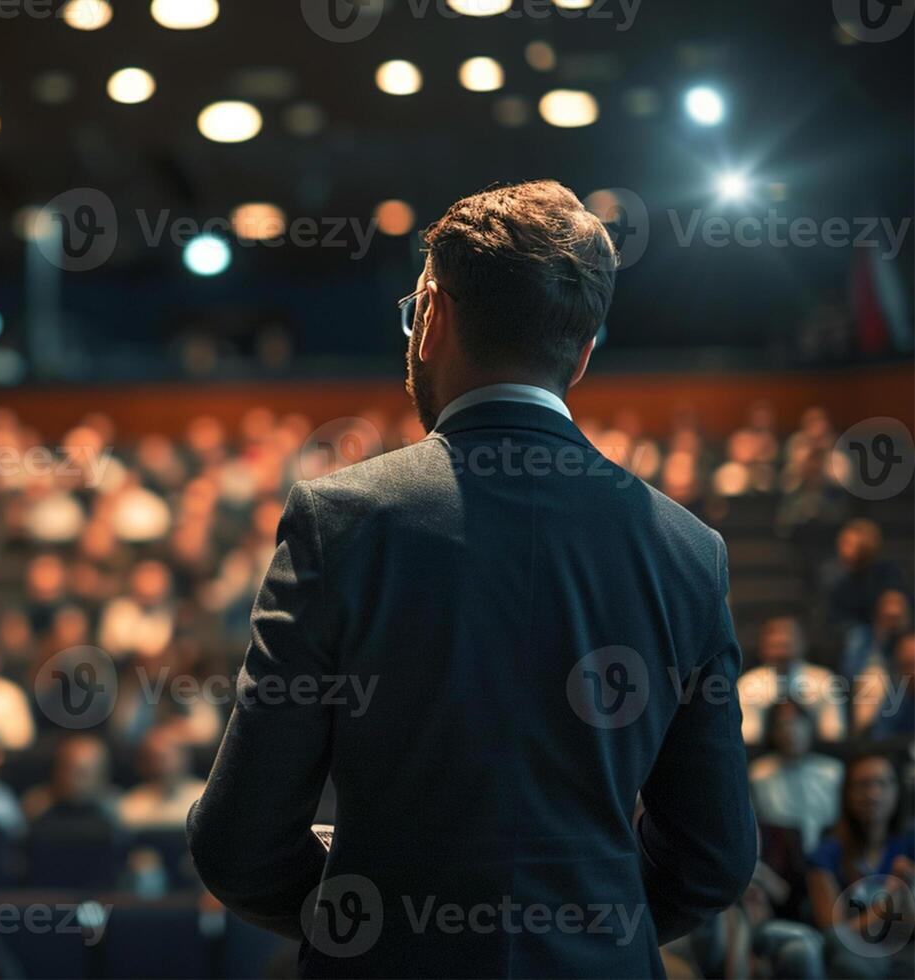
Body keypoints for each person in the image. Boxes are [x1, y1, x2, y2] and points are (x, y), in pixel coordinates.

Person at [187, 181, 757, 977]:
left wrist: (378, 913)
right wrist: (579, 923)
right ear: (584, 351)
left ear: (431, 315)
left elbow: (238, 843)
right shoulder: (688, 550)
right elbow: (715, 858)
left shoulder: (342, 519)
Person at [807, 753, 915, 978]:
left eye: (883, 783)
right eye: (863, 785)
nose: (873, 794)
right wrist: (892, 895)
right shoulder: (826, 853)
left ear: (898, 791)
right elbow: (833, 933)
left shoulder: (910, 845)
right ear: (847, 794)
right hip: (854, 958)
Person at [749, 702, 843, 850]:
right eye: (782, 724)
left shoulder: (833, 772)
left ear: (810, 726)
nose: (791, 730)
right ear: (772, 732)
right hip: (777, 855)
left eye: (797, 722)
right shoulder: (758, 774)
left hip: (829, 855)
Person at [738, 616, 846, 746]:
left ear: (803, 644)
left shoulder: (823, 680)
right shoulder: (749, 684)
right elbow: (749, 739)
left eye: (787, 645)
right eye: (776, 646)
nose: (782, 653)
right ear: (763, 648)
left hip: (816, 758)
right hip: (766, 759)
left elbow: (833, 734)